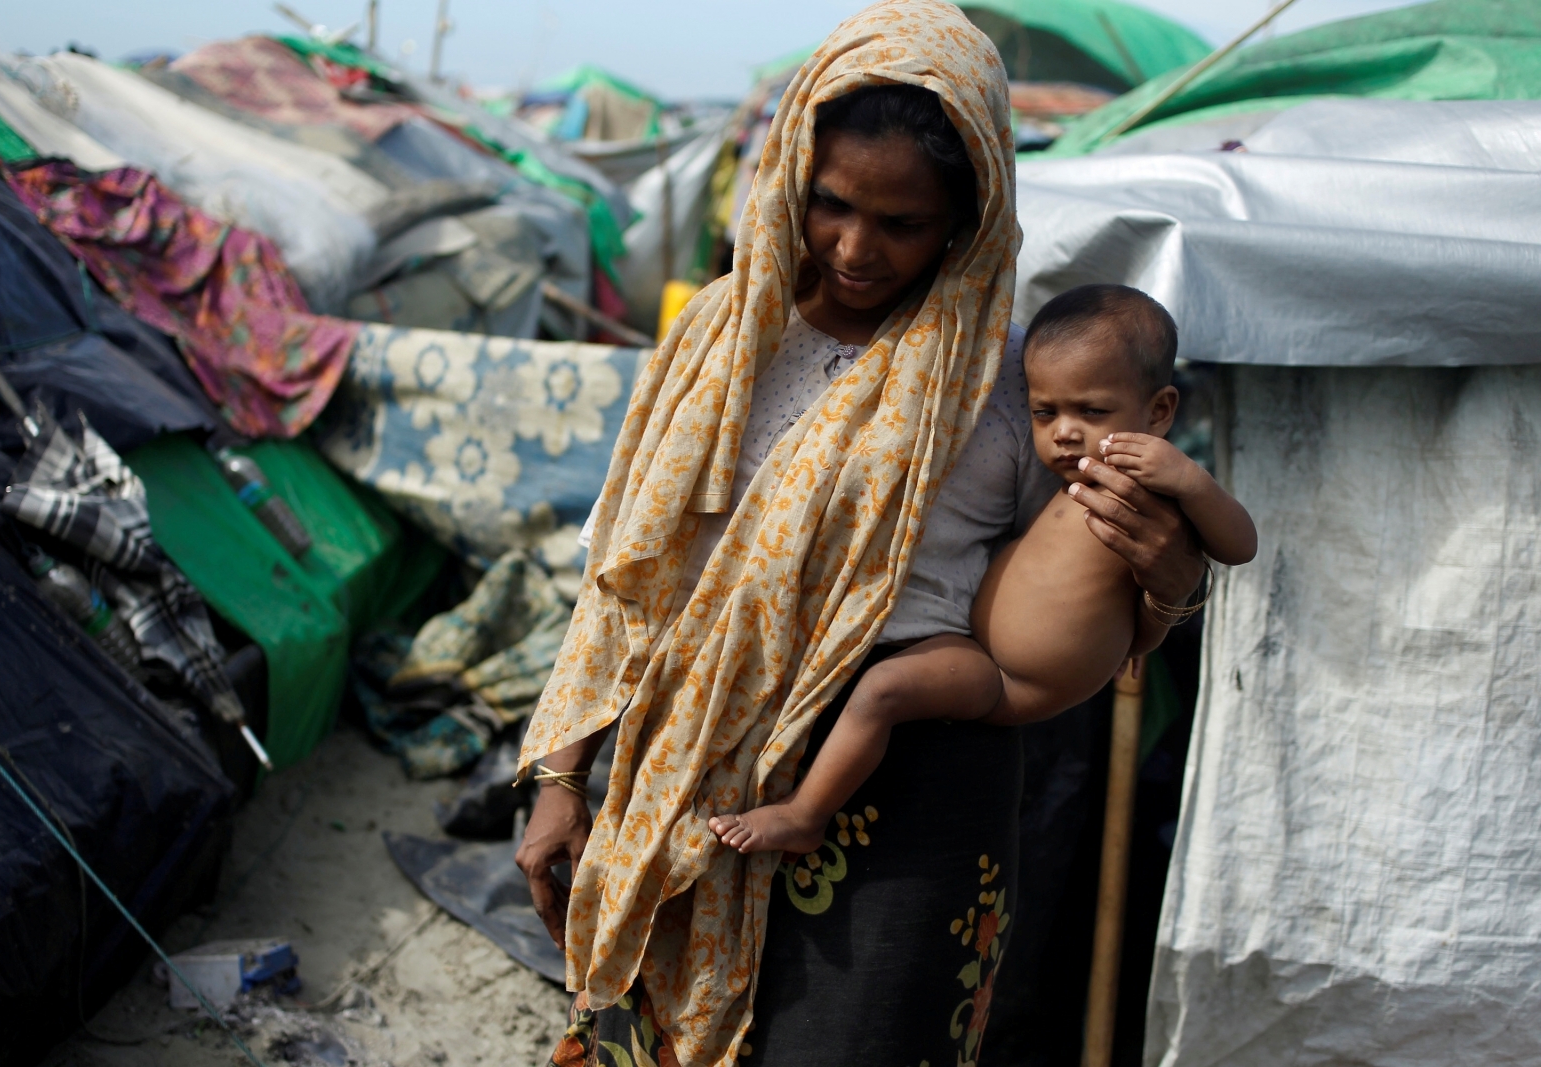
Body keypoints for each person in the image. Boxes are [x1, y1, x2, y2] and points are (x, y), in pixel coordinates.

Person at [516, 4, 1209, 1064]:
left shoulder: (1016, 385)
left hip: (914, 785)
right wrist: (562, 780)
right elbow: (623, 579)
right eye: (829, 204)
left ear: (966, 220)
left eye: (902, 223)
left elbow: (1069, 595)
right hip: (690, 773)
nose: (852, 247)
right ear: (790, 172)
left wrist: (1168, 584)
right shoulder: (718, 337)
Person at [708, 284, 1257, 856]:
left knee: (883, 689)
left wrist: (1190, 479)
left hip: (1012, 684)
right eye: (1045, 412)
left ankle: (804, 815)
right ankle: (806, 810)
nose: (1065, 431)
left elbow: (1238, 546)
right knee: (880, 691)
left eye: (1091, 411)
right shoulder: (1067, 479)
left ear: (1161, 410)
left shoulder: (1156, 487)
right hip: (974, 650)